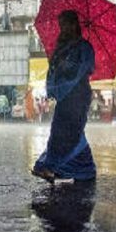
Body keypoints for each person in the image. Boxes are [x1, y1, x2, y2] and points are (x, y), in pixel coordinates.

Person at [32, 10, 96, 183]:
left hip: (78, 95)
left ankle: (53, 167)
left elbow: (86, 68)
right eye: (61, 25)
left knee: (70, 132)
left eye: (66, 24)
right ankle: (83, 168)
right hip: (65, 97)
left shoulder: (84, 47)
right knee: (62, 131)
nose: (63, 28)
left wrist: (67, 65)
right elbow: (55, 70)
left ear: (74, 24)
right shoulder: (63, 47)